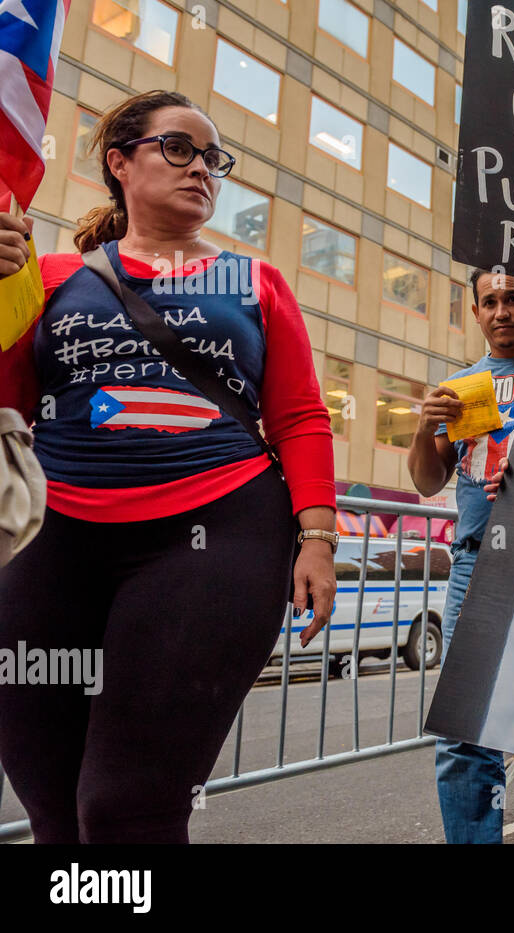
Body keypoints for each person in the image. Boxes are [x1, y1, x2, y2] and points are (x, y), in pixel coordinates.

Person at [0, 90, 337, 842]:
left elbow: (300, 415)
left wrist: (318, 536)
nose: (203, 170)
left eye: (214, 159)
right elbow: (11, 409)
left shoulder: (255, 282)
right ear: (120, 162)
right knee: (51, 801)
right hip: (54, 537)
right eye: (179, 149)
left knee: (125, 807)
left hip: (218, 529)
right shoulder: (49, 274)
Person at [407, 269, 514, 844]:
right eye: (490, 302)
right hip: (476, 565)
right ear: (476, 312)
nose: (502, 310)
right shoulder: (459, 387)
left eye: (513, 299)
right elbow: (428, 483)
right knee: (465, 726)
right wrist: (423, 430)